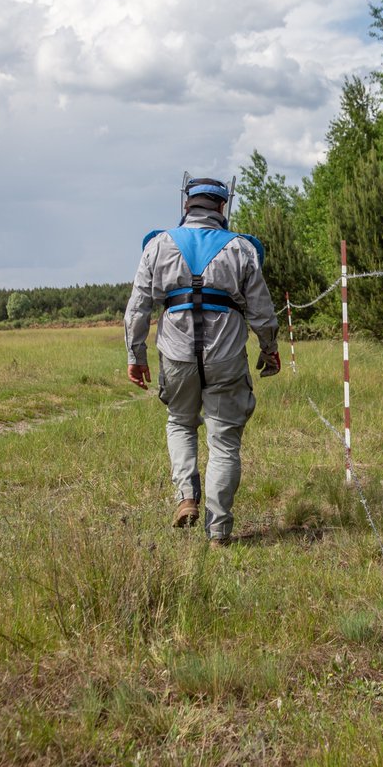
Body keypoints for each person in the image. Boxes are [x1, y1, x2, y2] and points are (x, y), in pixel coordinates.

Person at [124, 176, 280, 547]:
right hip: (226, 355)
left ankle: (187, 498)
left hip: (176, 355)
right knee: (224, 441)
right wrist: (268, 348)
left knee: (180, 422)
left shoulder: (159, 246)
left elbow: (137, 310)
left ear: (186, 205)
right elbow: (262, 311)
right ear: (222, 208)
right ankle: (219, 532)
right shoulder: (241, 249)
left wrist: (136, 355)